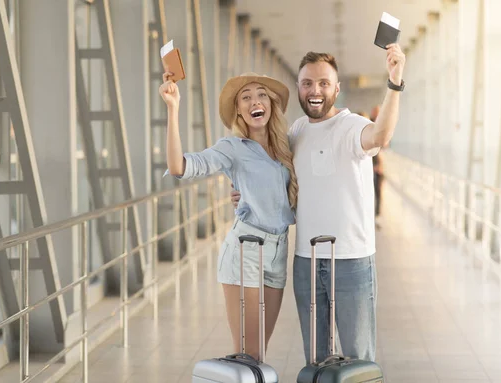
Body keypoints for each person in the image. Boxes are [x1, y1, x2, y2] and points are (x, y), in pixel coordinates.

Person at [232, 44, 406, 363]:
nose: (316, 90)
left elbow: (380, 136)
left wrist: (394, 83)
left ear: (336, 89)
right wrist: (247, 193)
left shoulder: (350, 125)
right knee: (316, 358)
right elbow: (283, 184)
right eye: (308, 83)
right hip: (307, 262)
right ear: (299, 88)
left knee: (358, 359)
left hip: (351, 261)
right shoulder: (297, 131)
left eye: (324, 83)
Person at [159, 71, 298, 360]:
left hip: (278, 251)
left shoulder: (285, 146)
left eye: (261, 94)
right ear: (238, 110)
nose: (254, 101)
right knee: (247, 353)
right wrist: (173, 109)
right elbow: (180, 166)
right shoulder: (231, 148)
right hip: (245, 249)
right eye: (245, 98)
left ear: (270, 103)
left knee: (259, 350)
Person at [370, 105, 384, 226]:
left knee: (378, 191)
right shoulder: (370, 127)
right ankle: (372, 215)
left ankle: (377, 215)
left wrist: (380, 165)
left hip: (377, 167)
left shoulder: (382, 127)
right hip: (371, 166)